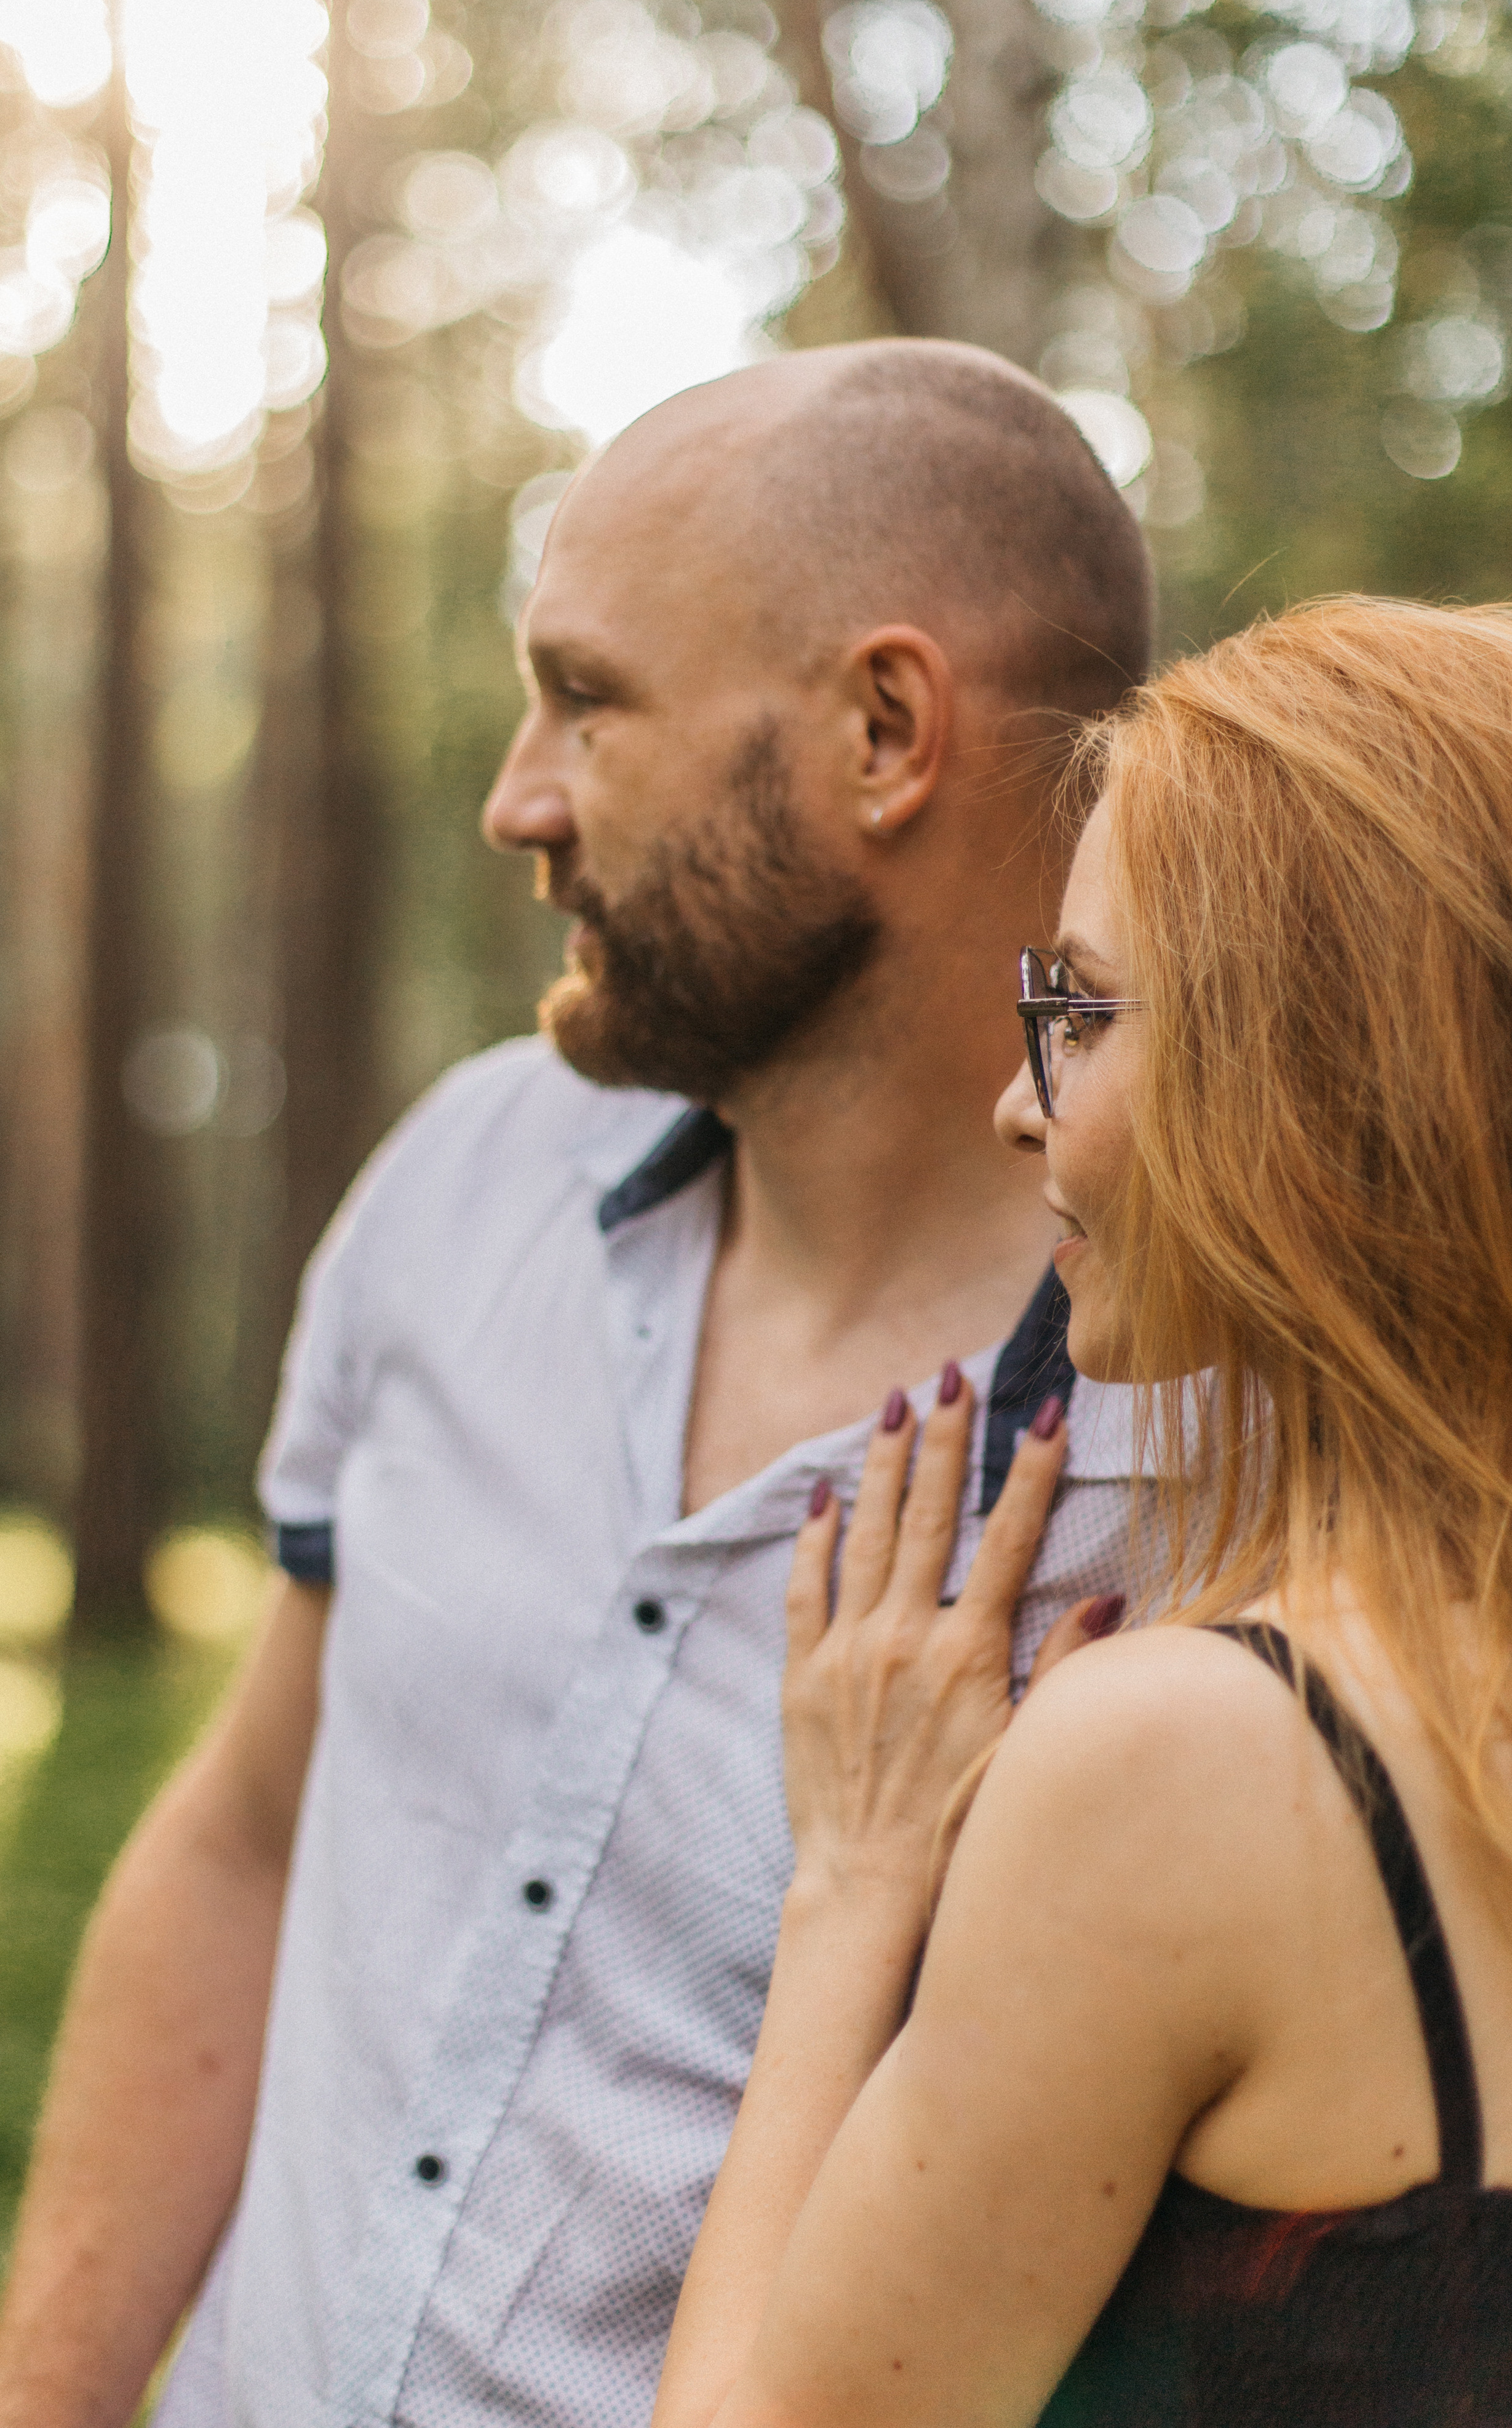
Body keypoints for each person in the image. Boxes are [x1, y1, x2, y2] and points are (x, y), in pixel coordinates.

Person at [0, 340, 1154, 2428]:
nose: (517, 798)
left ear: (885, 732)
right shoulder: (464, 1176)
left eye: (588, 698)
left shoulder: (1227, 1458)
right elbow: (248, 1837)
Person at [650, 597, 1512, 2428]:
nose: (1022, 1103)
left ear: (1327, 1074)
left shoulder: (1200, 1763)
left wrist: (852, 1882)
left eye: (1076, 1008)